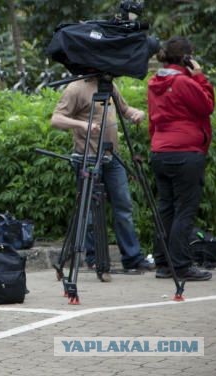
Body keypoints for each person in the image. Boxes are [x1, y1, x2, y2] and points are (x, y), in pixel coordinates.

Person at [51, 76, 155, 278]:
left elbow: (124, 110)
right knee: (90, 212)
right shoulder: (75, 88)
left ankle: (132, 258)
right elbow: (56, 119)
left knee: (124, 206)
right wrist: (82, 125)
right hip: (87, 157)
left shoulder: (109, 86)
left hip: (112, 157)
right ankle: (95, 258)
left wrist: (137, 113)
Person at [147, 36, 214, 281]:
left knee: (166, 209)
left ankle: (164, 263)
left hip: (161, 151)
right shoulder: (185, 82)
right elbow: (207, 106)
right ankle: (182, 265)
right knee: (185, 210)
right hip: (186, 152)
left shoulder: (155, 82)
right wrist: (200, 76)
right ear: (187, 57)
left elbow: (152, 119)